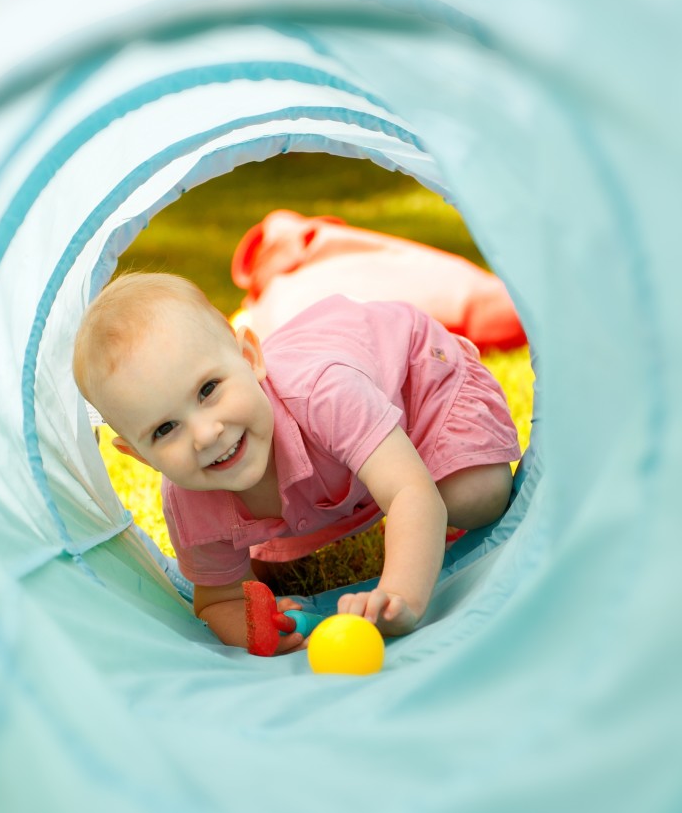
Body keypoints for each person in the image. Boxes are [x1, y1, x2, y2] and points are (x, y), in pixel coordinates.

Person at [73, 273, 520, 653]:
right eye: (165, 429)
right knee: (267, 577)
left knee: (474, 496)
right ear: (138, 454)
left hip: (416, 380)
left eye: (208, 389)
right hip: (331, 466)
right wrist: (257, 627)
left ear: (249, 358)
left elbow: (411, 492)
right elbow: (217, 600)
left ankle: (414, 484)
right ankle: (378, 485)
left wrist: (398, 597)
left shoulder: (325, 395)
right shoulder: (189, 502)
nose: (206, 434)